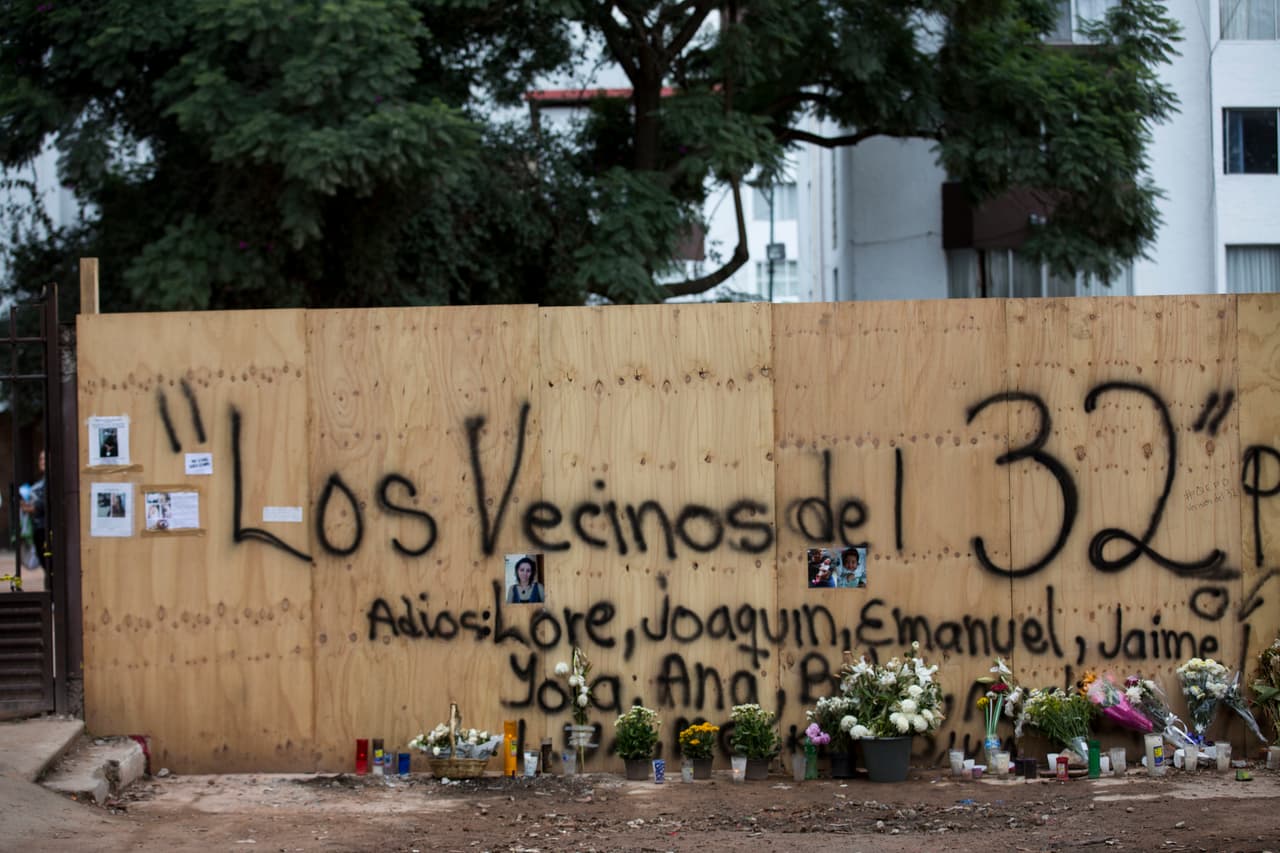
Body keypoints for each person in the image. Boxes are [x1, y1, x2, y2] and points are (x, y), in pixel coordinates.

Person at [18, 449, 48, 571]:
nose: (42, 461)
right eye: (40, 458)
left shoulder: (53, 481)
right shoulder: (40, 482)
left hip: (47, 529)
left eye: (45, 458)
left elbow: (46, 503)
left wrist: (32, 508)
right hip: (38, 529)